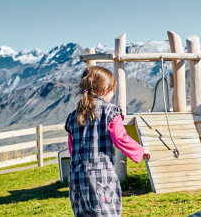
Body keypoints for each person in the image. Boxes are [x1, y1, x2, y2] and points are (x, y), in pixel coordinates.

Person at [65, 66, 151, 216]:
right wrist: (140, 150)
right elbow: (120, 137)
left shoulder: (74, 116)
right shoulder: (110, 111)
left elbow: (72, 148)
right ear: (105, 90)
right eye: (112, 90)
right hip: (101, 177)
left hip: (76, 177)